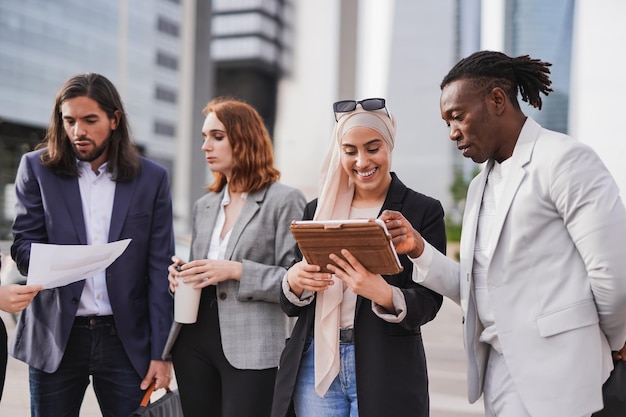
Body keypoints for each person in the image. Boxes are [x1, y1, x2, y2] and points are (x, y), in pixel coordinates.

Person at [382, 50, 626, 417]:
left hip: (565, 376)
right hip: (499, 380)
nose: (452, 133)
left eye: (457, 116)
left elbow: (613, 275)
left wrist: (610, 342)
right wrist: (418, 249)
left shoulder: (565, 160)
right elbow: (476, 289)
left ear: (497, 100)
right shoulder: (479, 187)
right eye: (447, 122)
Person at [10, 73, 175, 417]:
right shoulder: (35, 169)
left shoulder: (152, 178)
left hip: (126, 340)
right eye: (69, 120)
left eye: (89, 120)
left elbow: (160, 270)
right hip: (56, 335)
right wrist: (64, 261)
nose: (78, 131)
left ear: (114, 120)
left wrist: (162, 353)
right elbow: (23, 245)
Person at [271, 98, 447, 417]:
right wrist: (294, 281)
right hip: (317, 362)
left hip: (386, 365)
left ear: (389, 145)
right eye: (350, 150)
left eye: (372, 147)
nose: (361, 161)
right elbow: (292, 304)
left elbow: (430, 302)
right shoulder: (316, 211)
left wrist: (382, 292)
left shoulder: (423, 211)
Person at [161, 97, 306, 417]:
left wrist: (236, 270)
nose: (205, 146)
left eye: (217, 136)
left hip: (253, 346)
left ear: (244, 138)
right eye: (204, 137)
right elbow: (205, 269)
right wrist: (182, 276)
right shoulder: (205, 206)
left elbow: (298, 283)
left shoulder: (285, 200)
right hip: (193, 338)